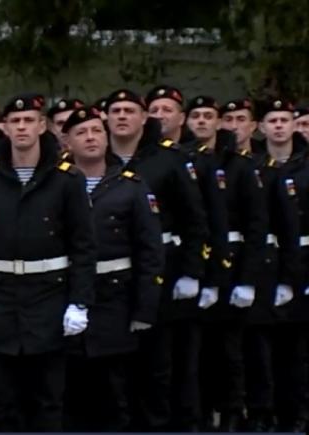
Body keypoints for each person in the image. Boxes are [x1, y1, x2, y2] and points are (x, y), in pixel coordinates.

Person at [0, 93, 96, 432]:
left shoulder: (67, 180)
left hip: (49, 299)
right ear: (4, 127)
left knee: (48, 399)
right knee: (6, 401)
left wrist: (79, 302)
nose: (21, 127)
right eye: (15, 121)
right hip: (0, 300)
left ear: (42, 126)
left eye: (28, 120)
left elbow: (83, 247)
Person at [104, 89, 208, 431]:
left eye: (129, 110)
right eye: (115, 110)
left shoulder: (168, 159)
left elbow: (194, 220)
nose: (122, 116)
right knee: (116, 361)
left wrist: (192, 272)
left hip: (162, 272)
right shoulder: (95, 157)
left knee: (158, 363)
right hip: (112, 276)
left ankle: (158, 425)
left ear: (144, 118)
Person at [62, 105, 164, 431]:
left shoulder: (130, 186)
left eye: (96, 131)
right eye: (81, 132)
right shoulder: (56, 184)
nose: (90, 137)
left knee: (116, 392)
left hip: (116, 300)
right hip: (65, 299)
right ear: (67, 142)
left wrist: (144, 309)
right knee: (70, 393)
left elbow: (150, 251)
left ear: (106, 138)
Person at [183, 95, 267, 431]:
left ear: (219, 123)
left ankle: (233, 410)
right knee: (196, 350)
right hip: (193, 263)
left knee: (230, 348)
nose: (202, 121)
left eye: (209, 116)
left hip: (232, 263)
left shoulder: (240, 165)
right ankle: (201, 410)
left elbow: (256, 225)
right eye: (196, 116)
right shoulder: (183, 160)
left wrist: (247, 278)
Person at [252, 99, 309, 432]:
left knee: (298, 346)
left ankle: (298, 412)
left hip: (303, 261)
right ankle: (265, 411)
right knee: (263, 346)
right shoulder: (255, 166)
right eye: (272, 120)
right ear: (262, 127)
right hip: (267, 263)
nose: (278, 126)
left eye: (284, 120)